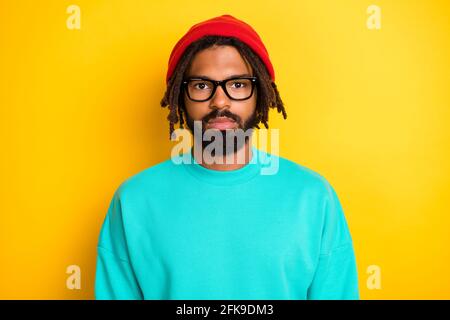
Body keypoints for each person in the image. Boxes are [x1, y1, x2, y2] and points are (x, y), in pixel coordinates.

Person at [94, 14, 359, 300]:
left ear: (261, 94)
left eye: (238, 84)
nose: (220, 101)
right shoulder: (134, 200)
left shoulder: (313, 197)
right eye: (201, 85)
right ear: (179, 96)